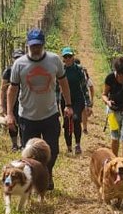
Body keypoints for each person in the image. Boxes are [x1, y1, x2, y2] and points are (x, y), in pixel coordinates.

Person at [6, 28, 74, 188]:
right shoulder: (19, 64)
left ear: (43, 44)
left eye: (38, 45)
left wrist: (69, 105)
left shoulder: (54, 60)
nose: (35, 49)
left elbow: (63, 83)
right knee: (29, 154)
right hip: (27, 116)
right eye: (32, 46)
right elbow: (12, 89)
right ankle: (35, 181)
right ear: (28, 45)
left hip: (50, 114)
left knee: (53, 150)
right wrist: (9, 114)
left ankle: (47, 172)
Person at [59, 47, 92, 155]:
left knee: (76, 119)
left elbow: (84, 86)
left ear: (73, 57)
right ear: (63, 58)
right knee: (67, 122)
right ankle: (69, 147)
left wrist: (88, 102)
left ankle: (77, 144)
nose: (68, 58)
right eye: (65, 57)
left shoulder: (79, 69)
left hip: (78, 98)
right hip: (64, 99)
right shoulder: (60, 70)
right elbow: (56, 87)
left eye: (70, 56)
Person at [0, 47, 25, 152]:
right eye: (16, 58)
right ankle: (14, 144)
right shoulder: (8, 71)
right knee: (12, 123)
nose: (18, 60)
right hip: (11, 100)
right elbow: (2, 89)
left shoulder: (27, 69)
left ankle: (24, 144)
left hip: (24, 100)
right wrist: (2, 105)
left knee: (24, 122)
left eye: (20, 58)